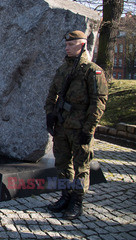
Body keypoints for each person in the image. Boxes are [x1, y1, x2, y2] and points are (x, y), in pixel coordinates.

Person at [45, 30, 108, 220]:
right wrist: (49, 114)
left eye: (70, 45)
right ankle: (65, 196)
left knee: (81, 166)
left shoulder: (92, 71)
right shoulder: (63, 69)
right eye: (66, 45)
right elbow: (52, 93)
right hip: (62, 125)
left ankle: (77, 202)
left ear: (81, 45)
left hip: (80, 127)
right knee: (62, 164)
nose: (66, 48)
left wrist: (88, 130)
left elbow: (99, 102)